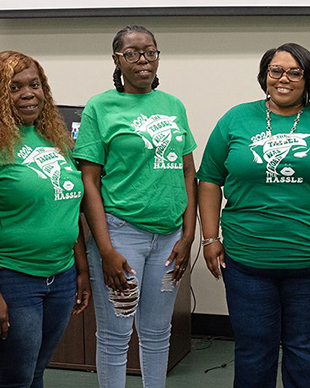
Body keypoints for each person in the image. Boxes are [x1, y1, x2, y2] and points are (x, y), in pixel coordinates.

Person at [197, 42, 310, 388]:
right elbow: (210, 179)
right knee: (253, 351)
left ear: (309, 79)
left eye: (294, 72)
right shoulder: (235, 119)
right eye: (275, 71)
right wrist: (210, 237)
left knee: (306, 350)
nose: (283, 78)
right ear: (264, 76)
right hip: (247, 264)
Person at [74, 25, 196, 388]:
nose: (143, 60)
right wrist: (106, 248)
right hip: (121, 233)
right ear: (117, 60)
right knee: (115, 335)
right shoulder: (100, 107)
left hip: (170, 235)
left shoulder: (173, 105)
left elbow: (188, 172)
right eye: (132, 53)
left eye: (150, 52)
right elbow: (89, 182)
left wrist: (189, 234)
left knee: (158, 333)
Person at [0, 50, 91, 388]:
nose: (28, 94)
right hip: (13, 278)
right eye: (14, 87)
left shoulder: (56, 138)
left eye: (34, 85)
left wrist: (81, 269)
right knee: (13, 377)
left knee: (36, 372)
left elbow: (68, 206)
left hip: (61, 276)